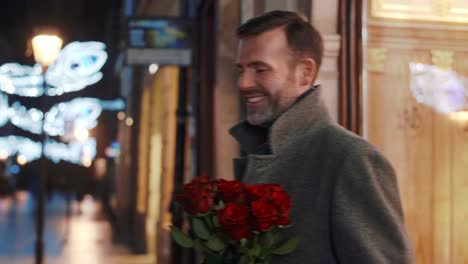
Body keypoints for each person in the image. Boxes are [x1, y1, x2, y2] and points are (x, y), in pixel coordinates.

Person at [229, 10, 413, 263]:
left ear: (305, 72)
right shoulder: (260, 150)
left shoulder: (351, 158)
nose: (243, 83)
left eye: (260, 69)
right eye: (241, 69)